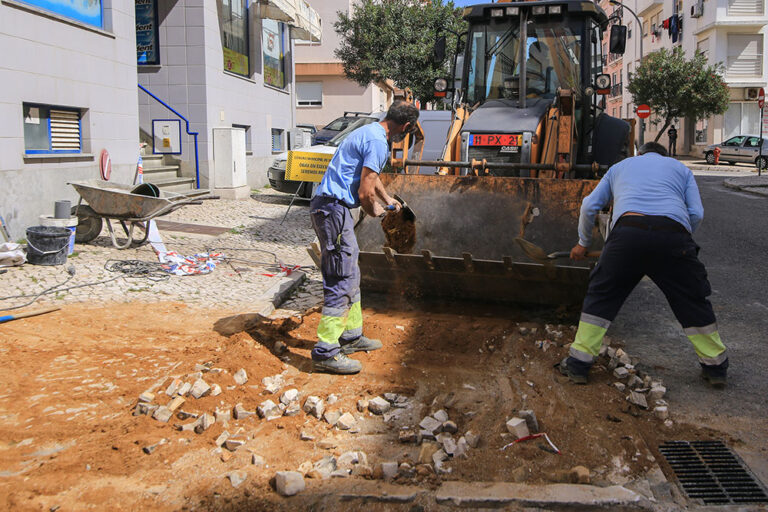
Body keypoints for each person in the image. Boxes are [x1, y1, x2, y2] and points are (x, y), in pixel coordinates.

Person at [561, 142, 729, 388]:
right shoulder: (680, 169)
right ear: (665, 156)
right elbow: (697, 213)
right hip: (673, 239)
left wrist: (583, 243)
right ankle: (715, 369)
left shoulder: (621, 166)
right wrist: (680, 240)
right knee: (692, 300)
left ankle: (578, 366)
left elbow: (589, 205)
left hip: (627, 235)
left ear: (640, 154)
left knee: (602, 297)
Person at [309, 100, 420, 374]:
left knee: (352, 275)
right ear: (405, 126)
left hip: (334, 209)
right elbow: (364, 194)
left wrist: (388, 199)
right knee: (340, 277)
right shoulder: (379, 143)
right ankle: (326, 352)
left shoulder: (369, 131)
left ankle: (351, 337)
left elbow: (370, 177)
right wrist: (381, 213)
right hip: (333, 210)